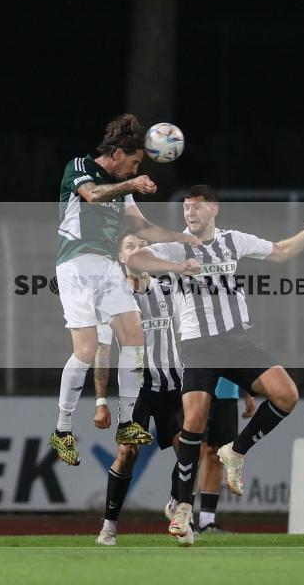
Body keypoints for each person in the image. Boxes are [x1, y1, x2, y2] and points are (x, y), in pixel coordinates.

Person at [126, 184, 304, 538]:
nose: (190, 212)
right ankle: (183, 509)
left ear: (214, 209)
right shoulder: (177, 244)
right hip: (197, 347)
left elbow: (279, 251)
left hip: (237, 342)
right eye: (186, 207)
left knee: (287, 395)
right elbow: (134, 260)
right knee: (193, 422)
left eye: (196, 206)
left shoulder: (233, 241)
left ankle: (236, 452)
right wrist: (177, 266)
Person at [51, 113, 201, 466]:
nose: (135, 170)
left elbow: (143, 228)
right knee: (86, 350)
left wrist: (181, 238)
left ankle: (127, 423)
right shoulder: (80, 167)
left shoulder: (123, 187)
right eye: (133, 163)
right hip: (75, 264)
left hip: (106, 264)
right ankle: (62, 429)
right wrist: (131, 185)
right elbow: (91, 195)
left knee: (135, 336)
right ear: (117, 154)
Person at [94, 234, 192, 546]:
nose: (137, 250)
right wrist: (100, 399)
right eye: (130, 247)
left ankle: (177, 508)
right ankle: (109, 525)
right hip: (135, 390)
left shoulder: (169, 287)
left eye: (142, 246)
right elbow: (102, 350)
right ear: (121, 257)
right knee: (127, 453)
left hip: (172, 386)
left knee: (189, 449)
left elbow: (184, 333)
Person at [195, 376, 255, 534]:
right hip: (199, 388)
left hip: (227, 391)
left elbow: (240, 360)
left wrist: (248, 391)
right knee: (194, 453)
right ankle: (185, 518)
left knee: (217, 455)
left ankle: (206, 522)